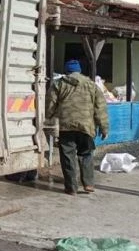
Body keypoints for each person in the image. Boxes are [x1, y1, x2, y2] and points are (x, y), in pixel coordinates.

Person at [46, 59, 109, 196]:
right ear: (79, 71)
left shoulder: (58, 84)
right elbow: (100, 108)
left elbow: (50, 104)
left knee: (68, 156)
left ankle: (71, 187)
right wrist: (104, 128)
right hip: (86, 127)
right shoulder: (91, 85)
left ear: (66, 71)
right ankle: (88, 184)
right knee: (86, 154)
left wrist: (48, 118)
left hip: (66, 127)